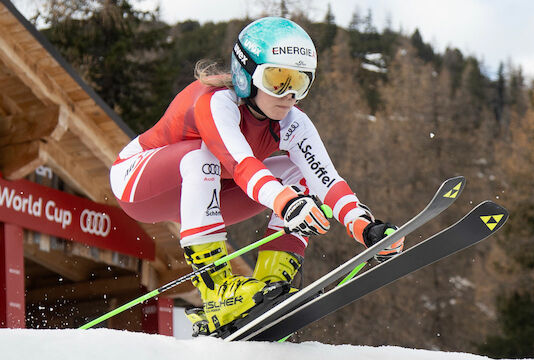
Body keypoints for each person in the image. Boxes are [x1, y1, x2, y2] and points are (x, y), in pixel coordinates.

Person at [109, 17, 404, 334]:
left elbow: (327, 180)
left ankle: (272, 284)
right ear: (245, 73)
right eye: (278, 79)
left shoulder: (293, 121)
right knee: (201, 155)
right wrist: (288, 204)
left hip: (211, 192)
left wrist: (364, 226)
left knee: (296, 171)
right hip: (138, 183)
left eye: (301, 82)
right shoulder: (215, 102)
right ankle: (218, 292)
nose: (290, 94)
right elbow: (242, 165)